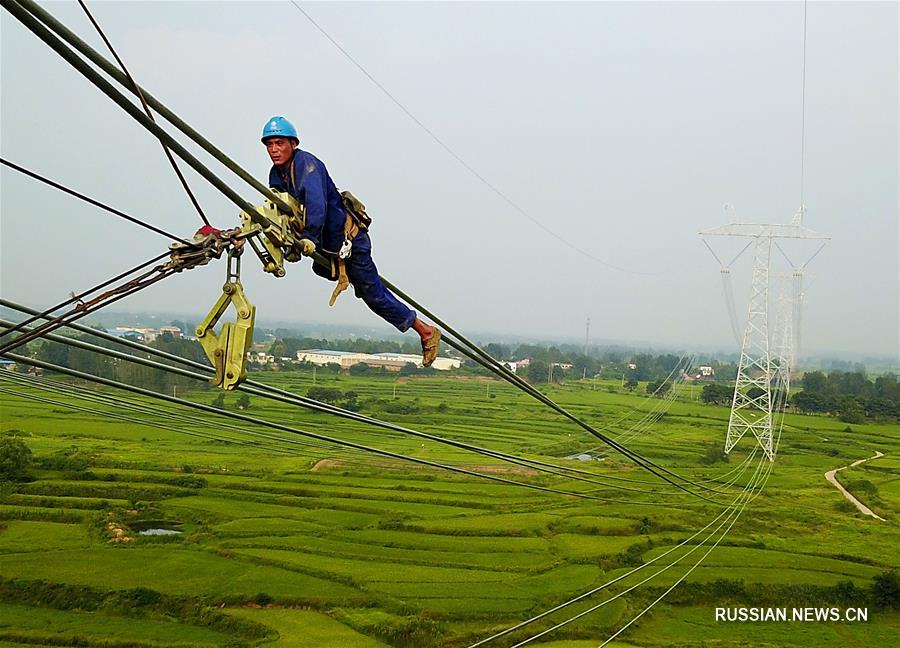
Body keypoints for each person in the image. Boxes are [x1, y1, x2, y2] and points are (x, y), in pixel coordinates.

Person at [260, 116, 441, 367]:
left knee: (375, 297)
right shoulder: (277, 174)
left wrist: (309, 235)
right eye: (269, 144)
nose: (273, 150)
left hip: (350, 244)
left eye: (279, 143)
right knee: (321, 269)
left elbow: (316, 205)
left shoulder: (307, 165)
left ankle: (425, 331)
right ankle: (353, 277)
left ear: (293, 143)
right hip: (328, 246)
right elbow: (282, 209)